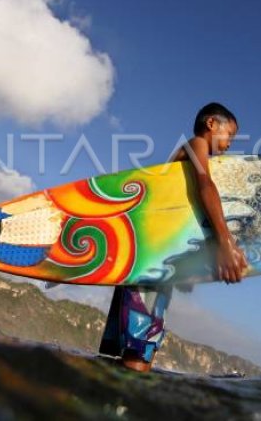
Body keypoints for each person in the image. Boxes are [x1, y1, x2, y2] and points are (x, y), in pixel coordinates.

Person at [98, 102, 249, 372]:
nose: (230, 144)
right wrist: (226, 243)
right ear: (212, 124)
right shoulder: (197, 144)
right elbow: (206, 185)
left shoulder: (190, 156)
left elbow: (178, 219)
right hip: (152, 261)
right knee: (138, 357)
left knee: (144, 349)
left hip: (157, 260)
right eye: (230, 135)